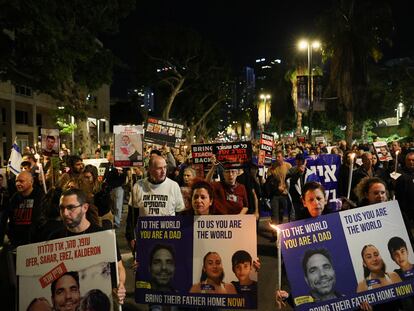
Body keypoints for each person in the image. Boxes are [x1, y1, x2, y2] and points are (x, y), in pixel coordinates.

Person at [49, 189, 126, 305]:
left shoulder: (104, 237)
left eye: (70, 208)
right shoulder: (54, 239)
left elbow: (119, 267)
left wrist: (120, 286)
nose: (65, 213)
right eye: (62, 208)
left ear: (85, 208)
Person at [286, 153, 320, 220]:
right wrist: (297, 174)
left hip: (308, 201)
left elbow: (316, 187)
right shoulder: (291, 172)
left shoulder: (311, 174)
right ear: (296, 161)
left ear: (305, 162)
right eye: (299, 161)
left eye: (302, 161)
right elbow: (288, 184)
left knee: (309, 219)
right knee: (297, 219)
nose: (301, 164)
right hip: (296, 202)